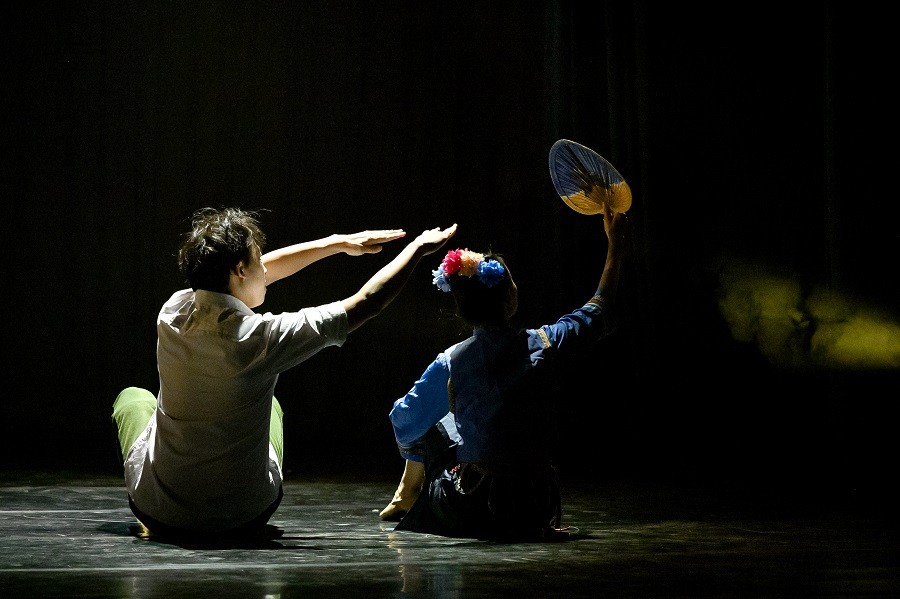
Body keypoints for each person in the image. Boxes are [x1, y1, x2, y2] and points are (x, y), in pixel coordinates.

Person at [112, 206, 456, 541]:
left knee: (134, 398)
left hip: (158, 513)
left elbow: (260, 274)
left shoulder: (172, 311)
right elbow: (368, 301)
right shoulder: (263, 338)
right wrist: (417, 249)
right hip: (243, 516)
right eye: (257, 259)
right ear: (240, 270)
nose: (266, 267)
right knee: (272, 407)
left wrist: (337, 243)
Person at [380, 203, 628, 542]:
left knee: (435, 420)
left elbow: (403, 421)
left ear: (461, 308)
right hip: (535, 505)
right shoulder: (548, 343)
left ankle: (408, 490)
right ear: (511, 298)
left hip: (475, 505)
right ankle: (410, 489)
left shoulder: (452, 361)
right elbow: (599, 307)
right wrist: (616, 246)